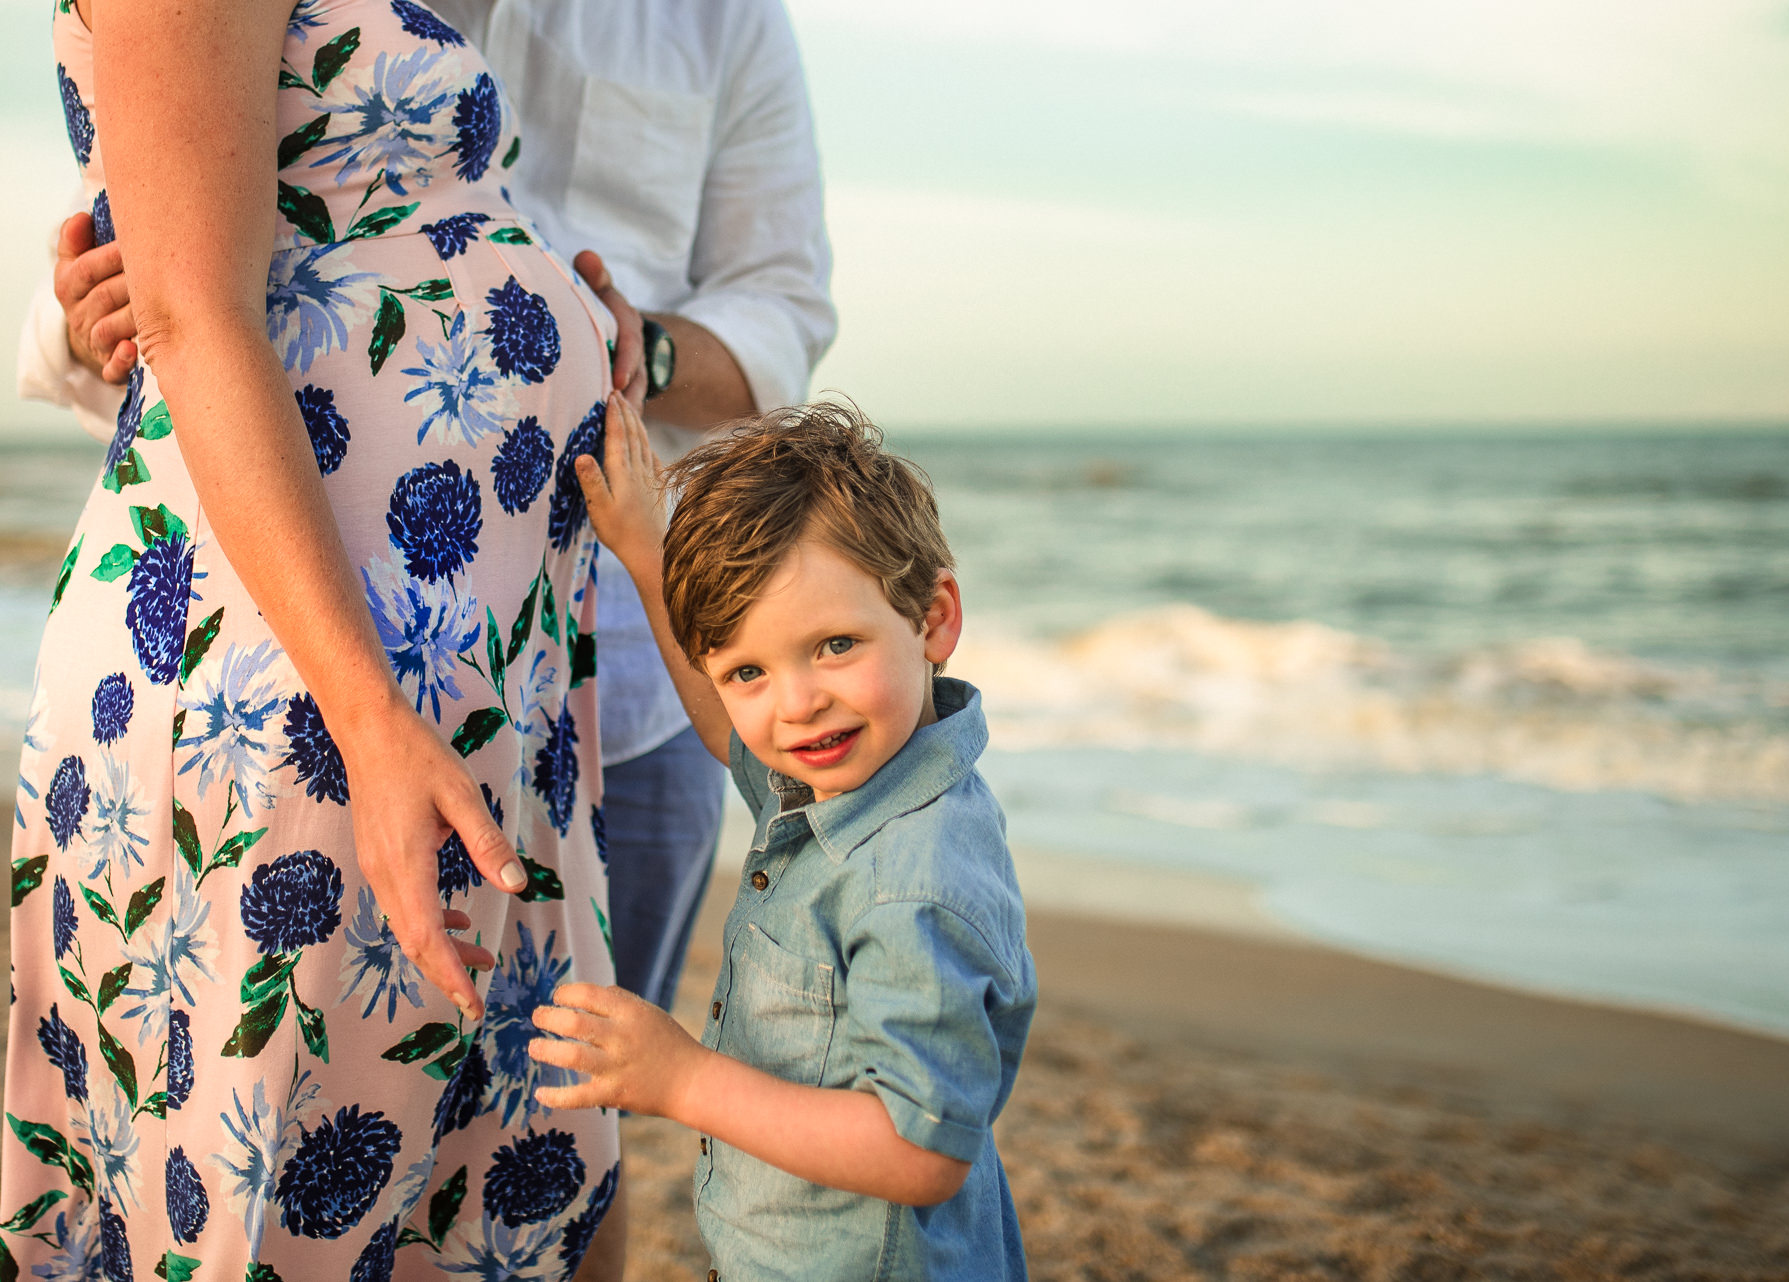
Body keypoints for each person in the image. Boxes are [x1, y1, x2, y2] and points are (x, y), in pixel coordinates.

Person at [19, 0, 837, 1020]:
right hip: (308, 629)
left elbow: (785, 310)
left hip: (626, 662)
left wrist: (633, 342)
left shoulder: (722, 19)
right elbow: (174, 249)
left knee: (587, 1097)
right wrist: (91, 301)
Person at [3, 1, 620, 1276]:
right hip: (296, 692)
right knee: (278, 1204)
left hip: (477, 673)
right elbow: (191, 316)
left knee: (484, 1196)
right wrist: (373, 720)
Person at [532, 395, 1037, 1279]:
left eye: (835, 644)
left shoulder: (915, 875)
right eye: (749, 670)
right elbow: (732, 733)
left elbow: (917, 1151)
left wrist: (683, 1080)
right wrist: (652, 560)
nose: (796, 705)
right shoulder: (849, 773)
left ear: (935, 619)